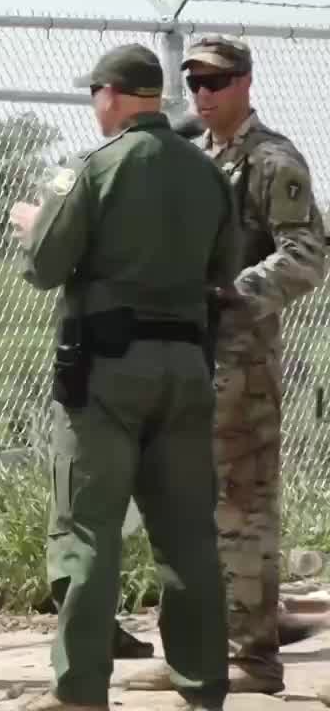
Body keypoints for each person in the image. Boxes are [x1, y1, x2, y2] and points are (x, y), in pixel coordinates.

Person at [5, 43, 237, 711]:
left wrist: (31, 225)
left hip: (107, 371)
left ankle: (79, 691)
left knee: (88, 532)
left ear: (110, 94)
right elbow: (224, 270)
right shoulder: (207, 173)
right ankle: (203, 690)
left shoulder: (93, 169)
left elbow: (46, 266)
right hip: (188, 367)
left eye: (94, 93)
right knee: (188, 534)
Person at [122, 35, 326, 697]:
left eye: (216, 82)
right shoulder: (194, 157)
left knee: (242, 507)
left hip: (240, 361)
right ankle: (195, 649)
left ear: (244, 83)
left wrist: (237, 290)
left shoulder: (270, 160)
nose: (203, 94)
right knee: (189, 507)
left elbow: (307, 254)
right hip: (188, 354)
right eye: (195, 82)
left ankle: (252, 657)